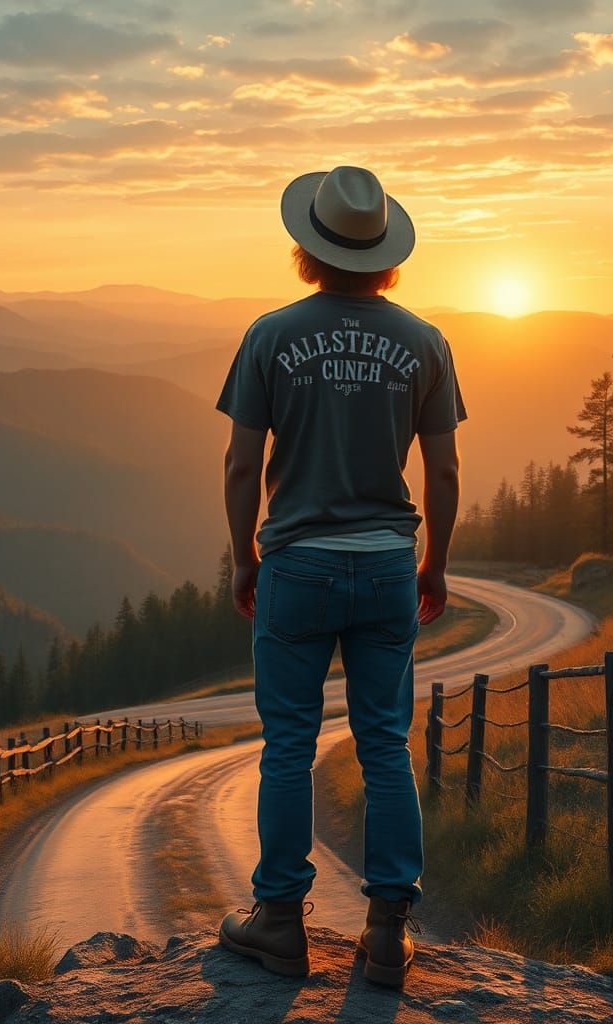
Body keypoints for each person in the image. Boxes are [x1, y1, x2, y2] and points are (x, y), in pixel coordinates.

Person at [213, 165, 467, 988]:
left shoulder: (270, 335)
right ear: (386, 256)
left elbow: (240, 464)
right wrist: (435, 565)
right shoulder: (426, 342)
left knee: (288, 743)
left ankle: (280, 922)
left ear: (309, 249)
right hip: (388, 566)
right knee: (385, 743)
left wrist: (244, 556)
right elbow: (444, 470)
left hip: (297, 564)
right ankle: (388, 932)